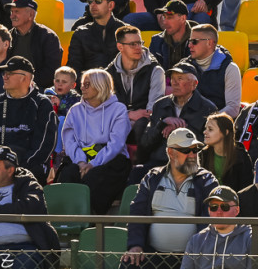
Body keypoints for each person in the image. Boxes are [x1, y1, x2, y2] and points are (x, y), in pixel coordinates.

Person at [121, 127, 219, 269]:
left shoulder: (207, 180)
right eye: (186, 150)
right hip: (153, 254)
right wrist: (135, 245)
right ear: (170, 152)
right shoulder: (152, 177)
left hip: (192, 257)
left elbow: (210, 219)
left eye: (195, 150)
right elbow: (137, 212)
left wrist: (197, 251)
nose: (193, 155)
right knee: (128, 265)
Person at [0, 54, 56, 183]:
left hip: (28, 163)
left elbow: (44, 145)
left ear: (25, 78)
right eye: (4, 73)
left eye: (10, 73)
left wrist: (18, 166)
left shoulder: (42, 104)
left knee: (33, 173)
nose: (4, 77)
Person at [56, 68, 131, 215]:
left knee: (94, 178)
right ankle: (68, 220)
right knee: (68, 174)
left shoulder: (119, 109)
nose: (82, 87)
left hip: (111, 160)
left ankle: (92, 221)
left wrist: (93, 164)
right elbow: (69, 141)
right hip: (81, 159)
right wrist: (81, 162)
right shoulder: (75, 110)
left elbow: (116, 143)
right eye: (83, 84)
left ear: (100, 86)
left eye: (87, 84)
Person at [137, 62, 217, 179]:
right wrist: (162, 124)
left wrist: (180, 130)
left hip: (189, 164)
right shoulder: (160, 105)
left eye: (180, 78)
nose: (174, 83)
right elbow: (145, 143)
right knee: (136, 173)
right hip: (160, 162)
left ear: (194, 84)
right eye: (172, 79)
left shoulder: (208, 108)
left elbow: (209, 145)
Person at [179, 185, 258, 269]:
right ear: (209, 210)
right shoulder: (196, 240)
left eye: (224, 207)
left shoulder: (253, 240)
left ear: (237, 210)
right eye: (213, 207)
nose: (219, 212)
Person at [106, 25, 166, 136]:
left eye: (140, 43)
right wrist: (128, 114)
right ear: (120, 47)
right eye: (133, 44)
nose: (138, 47)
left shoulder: (155, 70)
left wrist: (132, 118)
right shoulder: (109, 73)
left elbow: (153, 110)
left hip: (144, 123)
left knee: (141, 125)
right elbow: (104, 107)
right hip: (117, 120)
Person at [179, 23, 241, 119]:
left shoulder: (230, 68)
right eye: (189, 41)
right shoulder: (183, 66)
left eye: (194, 42)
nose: (190, 45)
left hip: (215, 126)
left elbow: (233, 109)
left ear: (210, 43)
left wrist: (207, 122)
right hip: (185, 123)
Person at [66, 0, 127, 75]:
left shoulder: (125, 32)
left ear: (110, 5)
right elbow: (73, 68)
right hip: (86, 85)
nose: (93, 4)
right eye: (90, 0)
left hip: (117, 86)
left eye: (98, 0)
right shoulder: (80, 33)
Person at [7, 0, 63, 90]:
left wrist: (26, 84)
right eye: (11, 12)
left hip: (39, 89)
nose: (12, 16)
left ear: (31, 15)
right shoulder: (7, 36)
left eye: (16, 11)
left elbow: (51, 71)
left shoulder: (48, 37)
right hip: (10, 87)